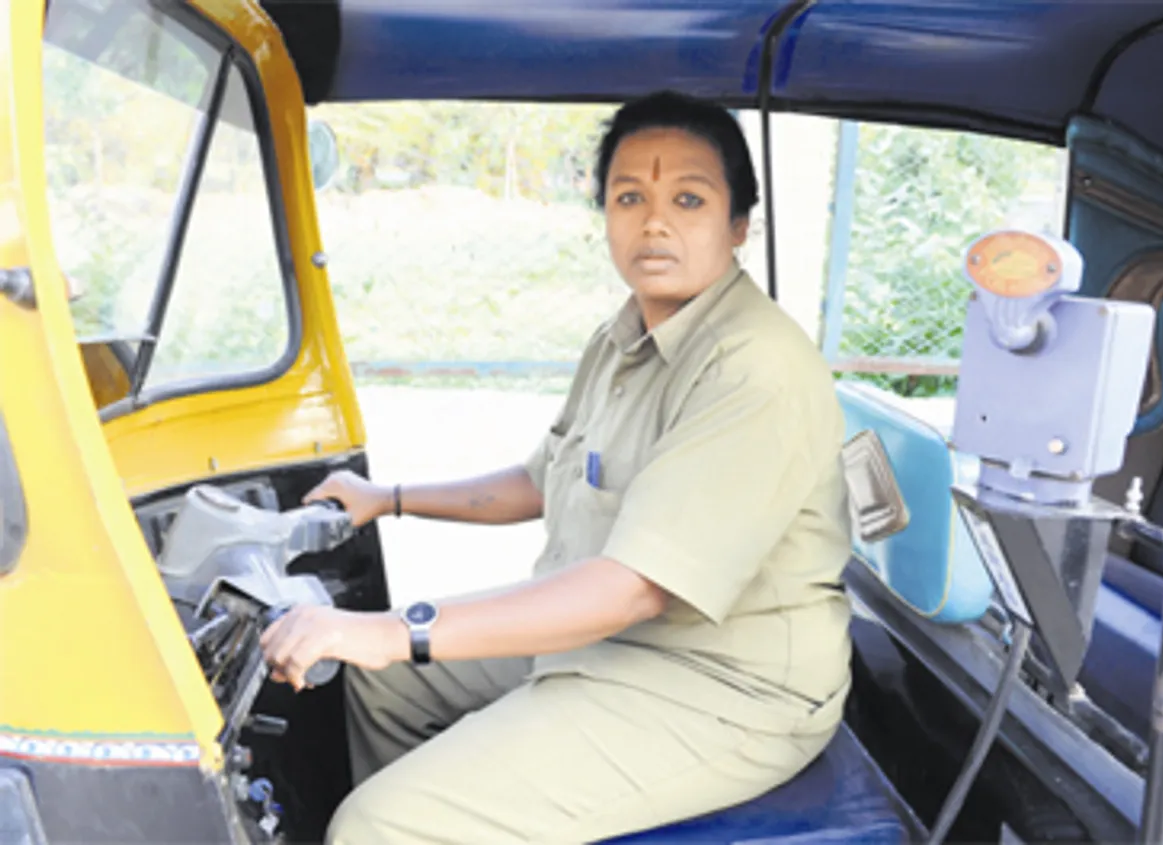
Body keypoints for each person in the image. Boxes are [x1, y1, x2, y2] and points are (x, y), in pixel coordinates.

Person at [260, 90, 855, 845]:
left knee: (380, 822)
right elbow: (541, 480)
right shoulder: (624, 337)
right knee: (379, 683)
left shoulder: (756, 368)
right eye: (629, 196)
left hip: (722, 686)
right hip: (608, 639)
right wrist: (387, 498)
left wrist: (392, 628)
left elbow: (634, 587)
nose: (655, 221)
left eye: (690, 198)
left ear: (739, 225)